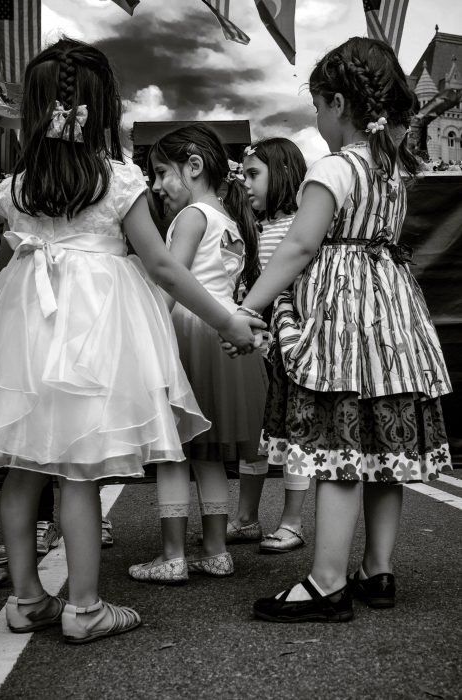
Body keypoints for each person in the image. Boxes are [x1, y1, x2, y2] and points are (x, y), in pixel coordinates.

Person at [0, 38, 263, 644]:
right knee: (78, 471)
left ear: (38, 108)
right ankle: (84, 609)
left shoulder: (14, 189)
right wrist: (226, 322)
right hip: (92, 339)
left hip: (25, 338)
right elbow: (166, 269)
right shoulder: (117, 182)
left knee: (22, 470)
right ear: (102, 108)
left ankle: (26, 599)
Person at [223, 36, 452, 622]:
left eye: (319, 107)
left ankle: (326, 582)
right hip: (393, 319)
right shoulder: (392, 171)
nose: (318, 120)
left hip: (344, 320)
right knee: (382, 449)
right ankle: (378, 570)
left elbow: (300, 245)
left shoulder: (334, 167)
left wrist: (249, 307)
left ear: (340, 105)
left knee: (339, 449)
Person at [129, 124, 268, 584]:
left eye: (161, 172)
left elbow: (172, 283)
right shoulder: (230, 220)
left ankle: (172, 555)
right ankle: (215, 550)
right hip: (223, 337)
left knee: (174, 451)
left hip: (189, 336)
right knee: (208, 452)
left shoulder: (190, 218)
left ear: (193, 167)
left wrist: (143, 335)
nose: (155, 184)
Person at [228, 137, 310, 554]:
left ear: (281, 174)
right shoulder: (256, 228)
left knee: (295, 434)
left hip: (294, 345)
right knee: (256, 434)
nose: (246, 183)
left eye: (254, 174)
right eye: (243, 175)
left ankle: (292, 522)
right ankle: (245, 518)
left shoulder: (302, 224)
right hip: (264, 343)